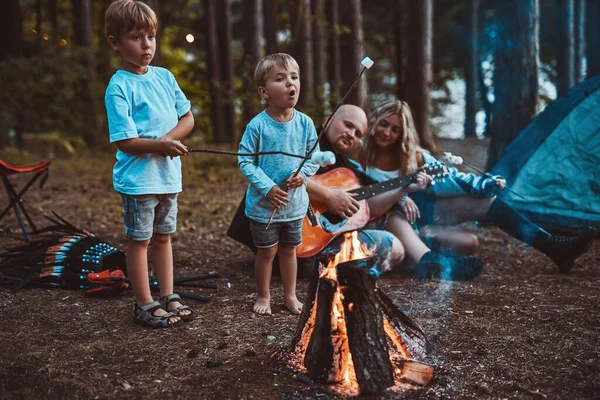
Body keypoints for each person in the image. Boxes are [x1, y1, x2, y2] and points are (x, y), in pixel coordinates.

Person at [360, 99, 597, 273]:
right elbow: (360, 190)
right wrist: (400, 197)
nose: (387, 133)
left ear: (403, 134)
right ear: (374, 123)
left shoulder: (415, 157)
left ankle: (553, 246)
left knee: (486, 206)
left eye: (395, 129)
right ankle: (423, 259)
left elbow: (451, 176)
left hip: (420, 216)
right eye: (383, 125)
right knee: (467, 243)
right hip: (386, 221)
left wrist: (484, 185)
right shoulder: (360, 155)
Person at [305, 104, 484, 280]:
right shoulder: (304, 141)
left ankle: (429, 259)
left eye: (358, 133)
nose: (351, 134)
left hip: (328, 236)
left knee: (393, 244)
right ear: (329, 118)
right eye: (348, 125)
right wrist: (328, 196)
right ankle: (424, 257)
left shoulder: (346, 165)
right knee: (394, 246)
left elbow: (371, 196)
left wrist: (404, 191)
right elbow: (284, 177)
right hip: (299, 236)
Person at [104, 0, 194, 328]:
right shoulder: (119, 87)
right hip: (139, 180)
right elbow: (124, 141)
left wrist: (169, 140)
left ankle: (168, 294)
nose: (147, 45)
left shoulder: (165, 77)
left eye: (151, 37)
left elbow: (187, 117)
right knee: (140, 240)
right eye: (136, 38)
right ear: (116, 42)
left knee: (164, 236)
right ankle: (144, 303)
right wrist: (161, 145)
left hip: (167, 177)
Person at [237, 53, 320, 316]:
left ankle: (290, 296)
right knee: (266, 252)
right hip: (264, 206)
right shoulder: (257, 126)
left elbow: (314, 157)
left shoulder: (305, 124)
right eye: (280, 79)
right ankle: (263, 296)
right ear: (264, 91)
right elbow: (246, 162)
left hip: (294, 207)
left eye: (294, 78)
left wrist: (304, 175)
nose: (290, 84)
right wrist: (268, 187)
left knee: (289, 251)